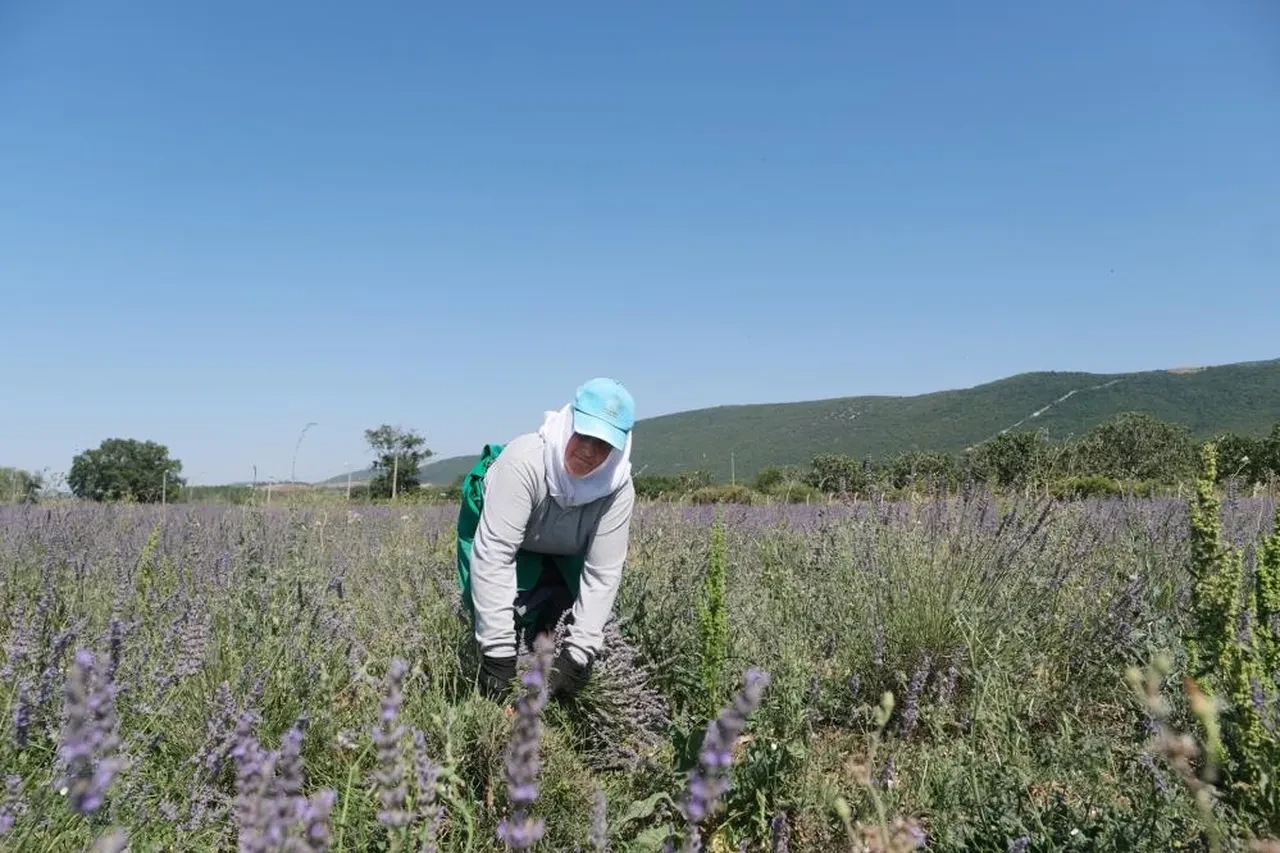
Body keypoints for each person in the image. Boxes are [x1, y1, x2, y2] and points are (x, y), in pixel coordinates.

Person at [456, 377, 636, 701]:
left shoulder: (617, 489)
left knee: (562, 610)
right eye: (584, 435)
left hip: (564, 543)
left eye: (603, 444)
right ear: (569, 423)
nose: (589, 451)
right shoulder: (524, 462)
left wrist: (577, 658)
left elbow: (603, 574)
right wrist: (497, 659)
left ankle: (539, 680)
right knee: (486, 605)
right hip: (502, 526)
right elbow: (494, 555)